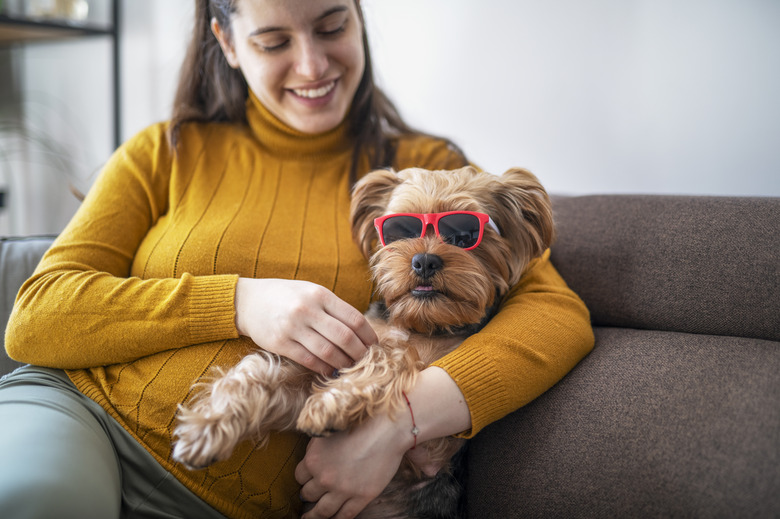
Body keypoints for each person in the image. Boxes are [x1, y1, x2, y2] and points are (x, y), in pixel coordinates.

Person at [0, 0, 594, 518]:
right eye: (274, 41)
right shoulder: (164, 152)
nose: (311, 65)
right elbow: (34, 318)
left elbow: (557, 317)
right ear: (228, 43)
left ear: (360, 21)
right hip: (87, 418)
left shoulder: (426, 168)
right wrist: (239, 302)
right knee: (34, 499)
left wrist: (400, 421)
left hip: (242, 493)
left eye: (332, 26)